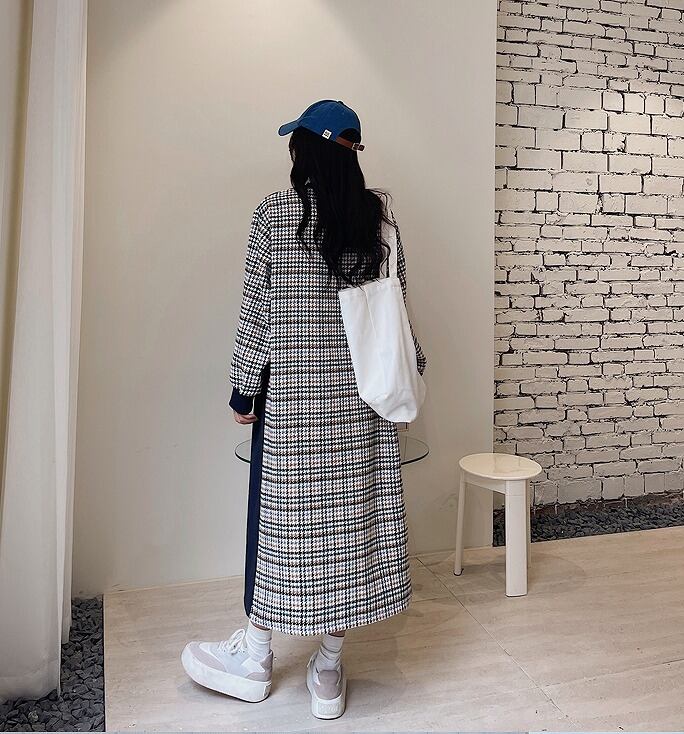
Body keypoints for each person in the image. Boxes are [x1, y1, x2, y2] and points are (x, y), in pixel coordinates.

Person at [181, 100, 426, 720]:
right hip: (366, 409)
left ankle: (256, 658)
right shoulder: (378, 221)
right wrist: (410, 379)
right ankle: (328, 668)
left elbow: (257, 314)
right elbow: (400, 316)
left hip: (293, 407)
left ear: (306, 151)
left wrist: (244, 391)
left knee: (277, 532)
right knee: (352, 532)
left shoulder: (276, 213)